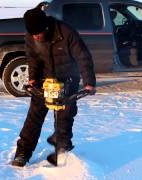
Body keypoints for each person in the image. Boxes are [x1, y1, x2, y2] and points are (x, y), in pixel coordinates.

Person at [11, 7, 96, 167]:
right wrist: (33, 79)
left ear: (46, 27)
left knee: (64, 118)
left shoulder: (66, 32)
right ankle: (22, 153)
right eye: (33, 34)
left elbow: (83, 56)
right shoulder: (31, 36)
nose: (35, 36)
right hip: (45, 81)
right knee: (34, 118)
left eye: (38, 33)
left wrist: (89, 82)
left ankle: (62, 151)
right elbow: (33, 58)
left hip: (68, 79)